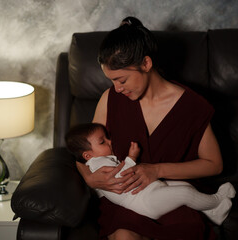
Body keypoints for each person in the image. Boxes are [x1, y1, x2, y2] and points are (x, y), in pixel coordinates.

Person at [76, 16, 225, 240]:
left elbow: (214, 165)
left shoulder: (192, 106)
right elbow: (82, 152)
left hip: (171, 197)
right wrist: (88, 177)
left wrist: (156, 170)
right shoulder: (110, 99)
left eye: (122, 80)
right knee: (125, 236)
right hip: (128, 199)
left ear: (146, 64)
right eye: (112, 81)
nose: (116, 88)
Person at [66, 123, 235, 225]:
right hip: (144, 201)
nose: (110, 142)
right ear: (87, 155)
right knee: (184, 193)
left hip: (149, 188)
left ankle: (211, 213)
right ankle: (216, 202)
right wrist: (131, 157)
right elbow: (122, 177)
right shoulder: (97, 164)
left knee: (185, 185)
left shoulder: (100, 160)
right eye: (103, 142)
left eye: (107, 138)